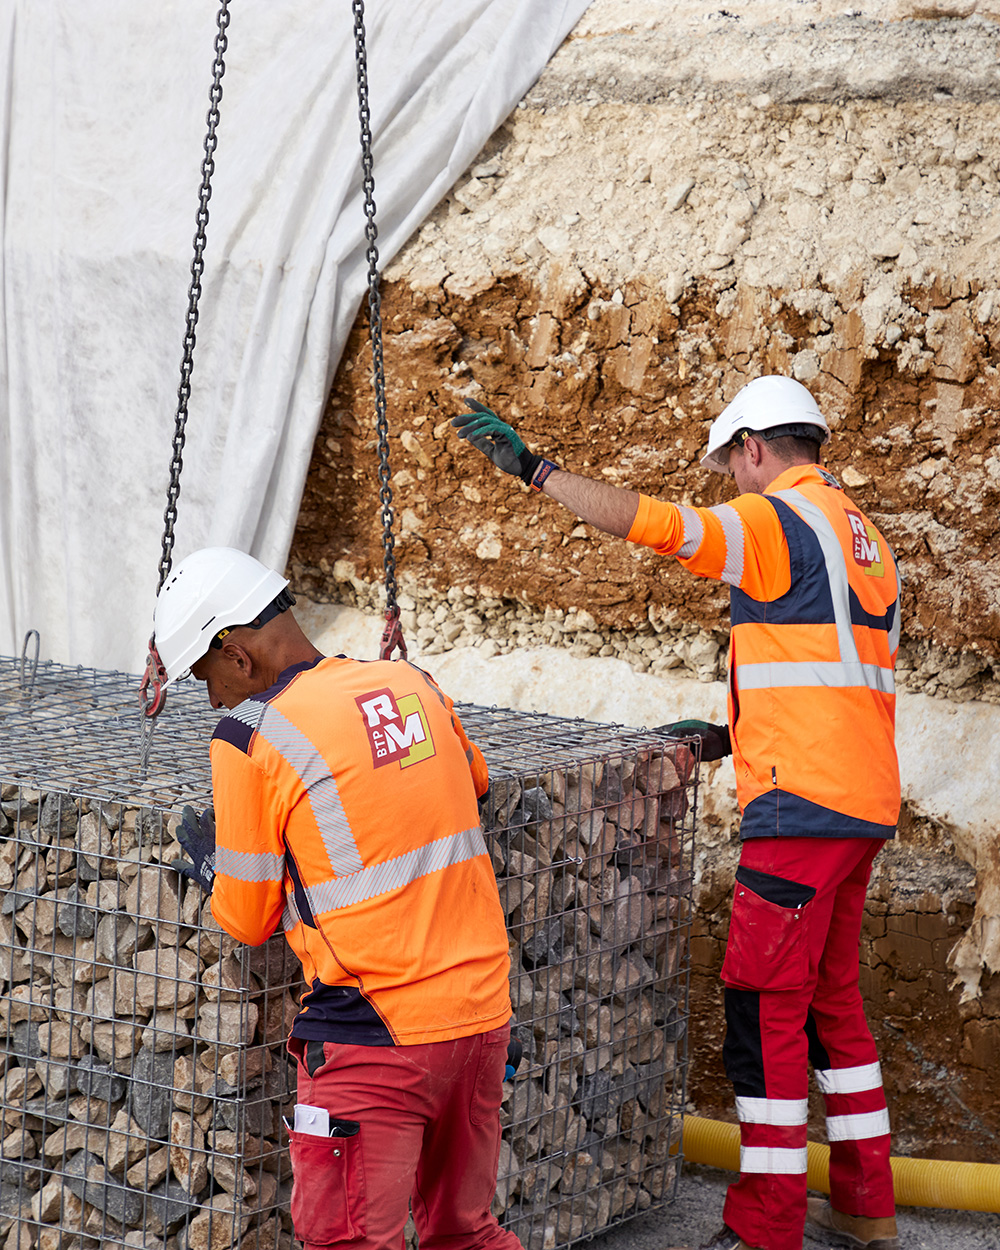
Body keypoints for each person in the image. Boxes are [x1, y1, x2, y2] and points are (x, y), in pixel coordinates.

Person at [452, 377, 902, 1250]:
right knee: (832, 1002)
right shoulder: (864, 537)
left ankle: (766, 1226)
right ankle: (866, 1203)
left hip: (800, 810)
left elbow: (654, 524)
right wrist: (732, 736)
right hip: (860, 807)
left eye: (729, 466)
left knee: (763, 1007)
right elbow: (836, 672)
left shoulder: (776, 517)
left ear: (754, 450)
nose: (729, 484)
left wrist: (537, 471)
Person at [151, 547, 522, 1250]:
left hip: (374, 1037)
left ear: (236, 654)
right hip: (480, 1018)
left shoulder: (249, 733)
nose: (211, 699)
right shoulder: (409, 681)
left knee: (347, 1240)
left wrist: (214, 864)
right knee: (464, 1234)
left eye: (205, 677)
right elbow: (472, 783)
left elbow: (248, 916)